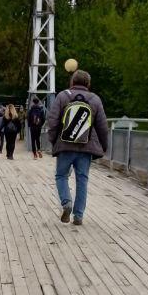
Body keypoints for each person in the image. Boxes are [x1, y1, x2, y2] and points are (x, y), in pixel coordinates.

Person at [46, 70, 109, 225]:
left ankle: (66, 203)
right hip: (86, 147)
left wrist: (54, 141)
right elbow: (102, 127)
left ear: (72, 82)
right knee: (82, 180)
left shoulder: (62, 96)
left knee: (61, 176)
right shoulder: (95, 99)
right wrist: (103, 146)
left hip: (65, 146)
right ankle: (79, 216)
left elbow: (52, 122)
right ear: (88, 84)